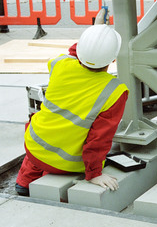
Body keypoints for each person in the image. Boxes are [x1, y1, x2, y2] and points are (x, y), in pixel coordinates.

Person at [15, 24, 129, 196]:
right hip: (66, 163)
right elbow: (99, 139)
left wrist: (96, 30)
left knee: (35, 160)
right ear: (113, 59)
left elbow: (76, 52)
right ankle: (46, 185)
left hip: (34, 146)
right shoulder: (115, 91)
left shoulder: (60, 64)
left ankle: (23, 185)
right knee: (52, 169)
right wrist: (94, 174)